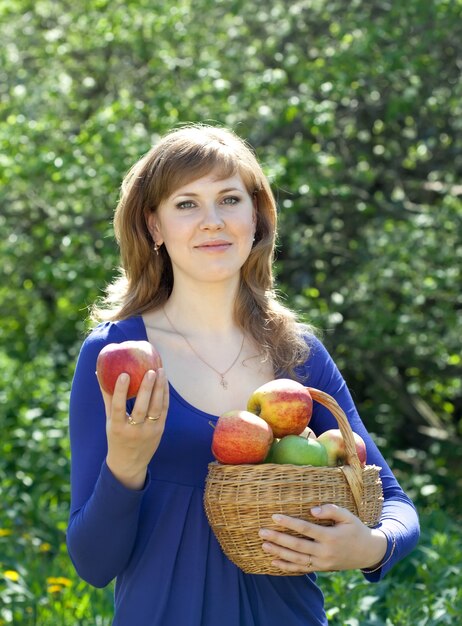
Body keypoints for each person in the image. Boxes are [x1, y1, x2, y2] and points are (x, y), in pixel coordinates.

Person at [67, 123, 420, 626]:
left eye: (229, 200)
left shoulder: (297, 355)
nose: (212, 221)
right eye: (186, 204)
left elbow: (396, 506)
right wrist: (125, 466)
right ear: (154, 228)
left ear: (256, 218)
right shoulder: (115, 356)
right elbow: (93, 563)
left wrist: (368, 548)